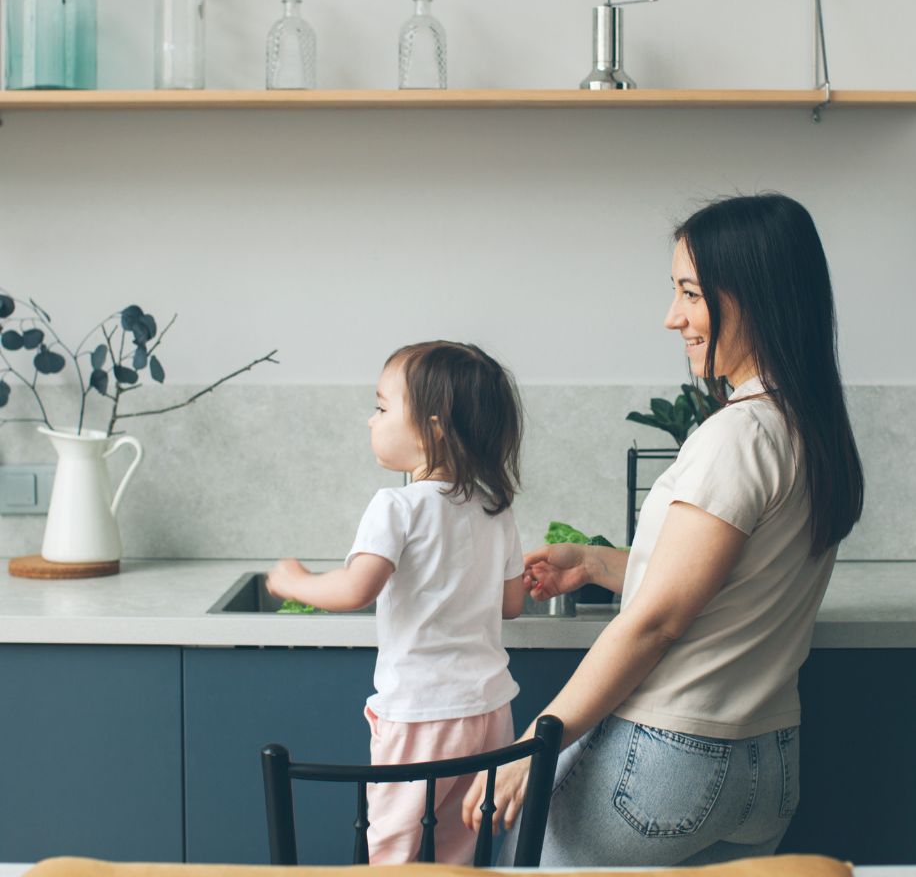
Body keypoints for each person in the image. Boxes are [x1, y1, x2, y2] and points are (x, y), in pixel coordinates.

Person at [463, 192, 865, 867]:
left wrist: (533, 747)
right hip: (768, 769)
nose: (672, 316)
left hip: (669, 765)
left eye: (690, 294)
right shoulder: (809, 429)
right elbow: (727, 580)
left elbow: (654, 624)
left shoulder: (736, 436)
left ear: (754, 297)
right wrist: (594, 563)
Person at [267, 340, 526, 865]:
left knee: (391, 848)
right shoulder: (494, 507)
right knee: (457, 847)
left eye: (382, 407)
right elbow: (512, 604)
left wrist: (293, 581)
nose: (371, 420)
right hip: (491, 711)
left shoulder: (396, 505)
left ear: (432, 429)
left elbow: (355, 589)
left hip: (422, 714)